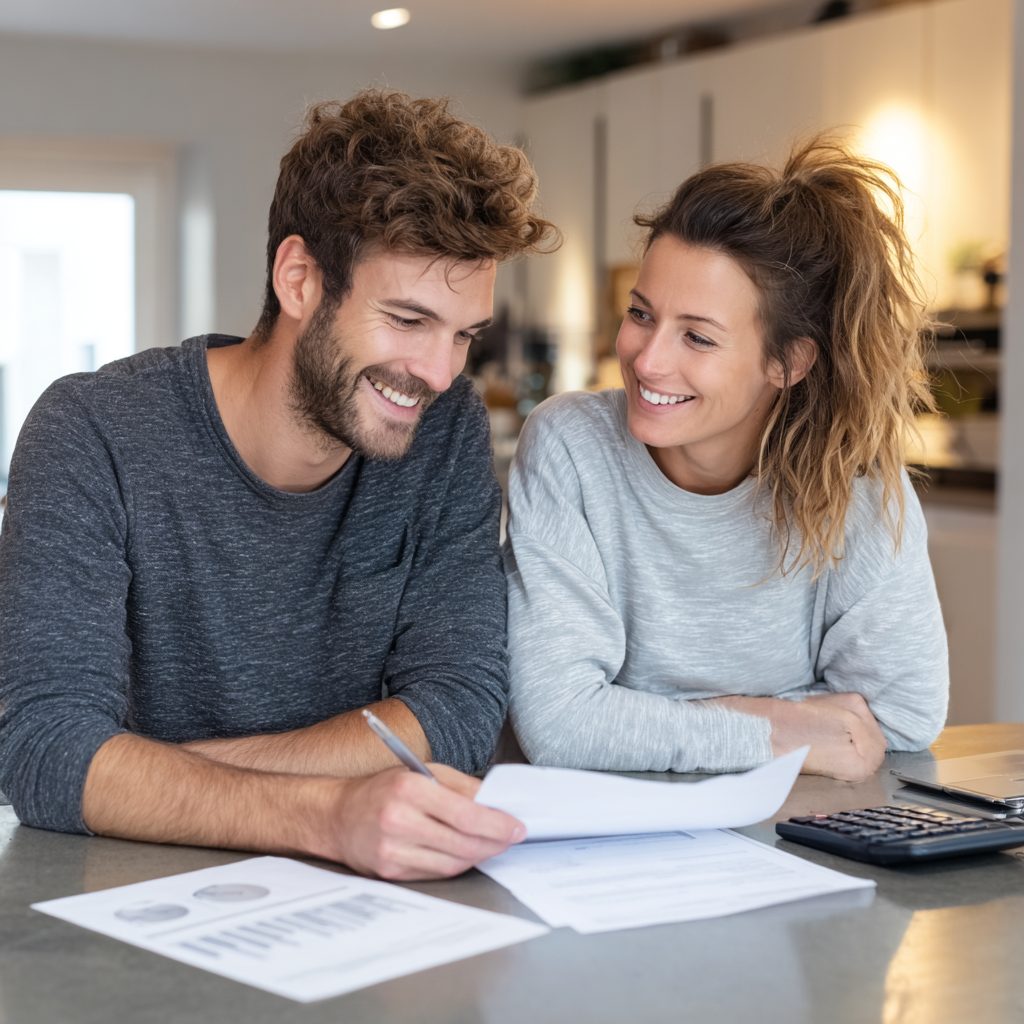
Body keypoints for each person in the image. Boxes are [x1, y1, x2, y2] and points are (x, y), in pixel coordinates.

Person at [0, 90, 556, 879]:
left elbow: (457, 712)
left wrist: (137, 776)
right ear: (299, 279)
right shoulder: (92, 431)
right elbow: (48, 751)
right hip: (119, 893)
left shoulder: (444, 430)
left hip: (355, 899)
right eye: (407, 320)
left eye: (463, 333)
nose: (439, 372)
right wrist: (326, 815)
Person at [505, 137, 948, 783]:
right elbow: (558, 722)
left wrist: (636, 718)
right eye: (640, 314)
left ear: (788, 362)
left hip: (792, 824)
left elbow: (902, 716)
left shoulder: (859, 486)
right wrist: (773, 726)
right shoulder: (571, 447)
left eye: (697, 337)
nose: (648, 360)